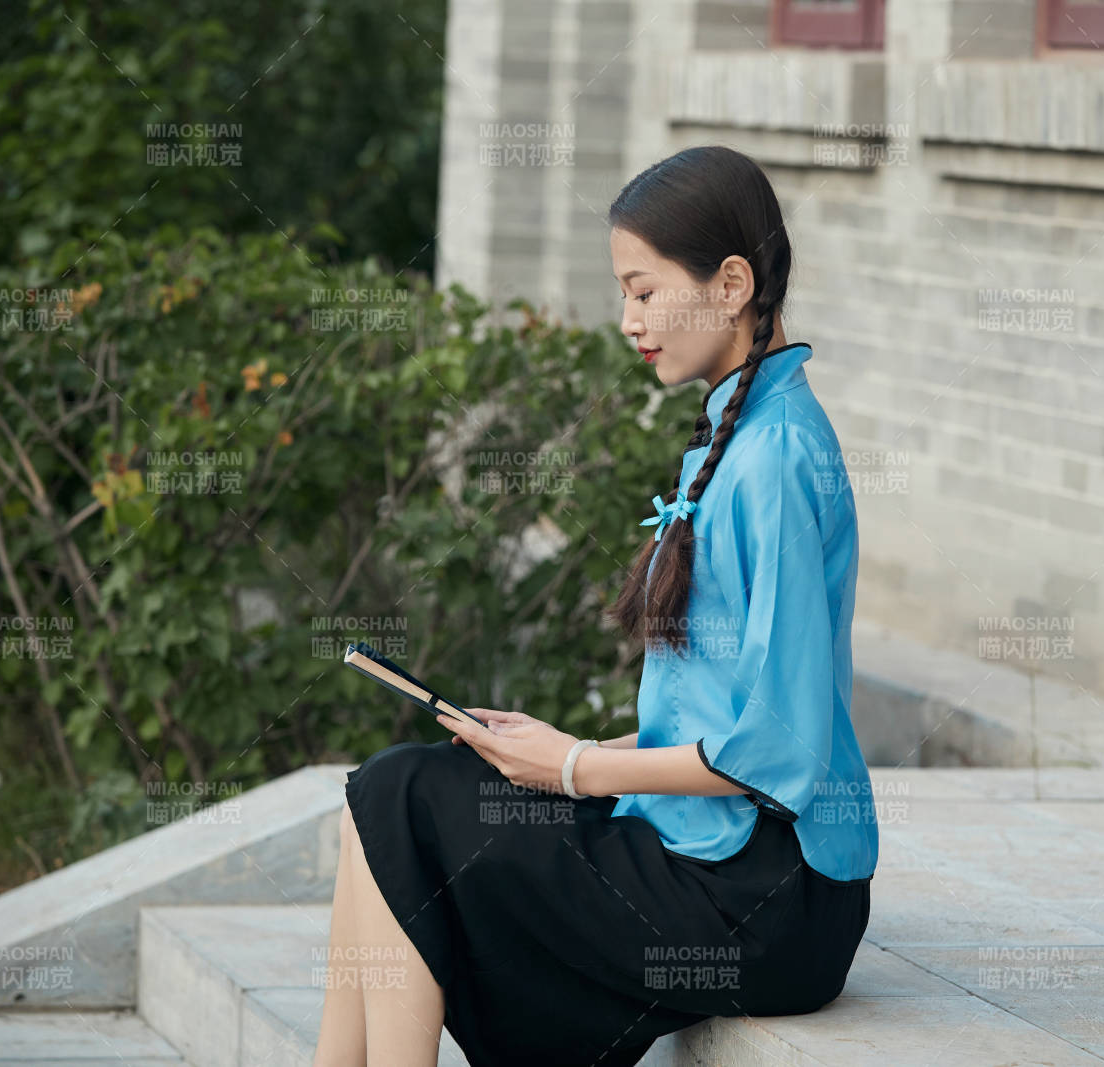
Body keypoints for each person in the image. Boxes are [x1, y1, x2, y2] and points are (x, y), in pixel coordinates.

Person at [313, 144, 878, 1067]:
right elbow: (724, 719)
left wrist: (576, 768)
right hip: (721, 861)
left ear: (730, 283)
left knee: (399, 794)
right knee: (389, 797)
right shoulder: (738, 431)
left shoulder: (774, 455)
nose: (628, 319)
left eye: (645, 290)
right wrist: (546, 755)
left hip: (763, 896)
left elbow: (777, 751)